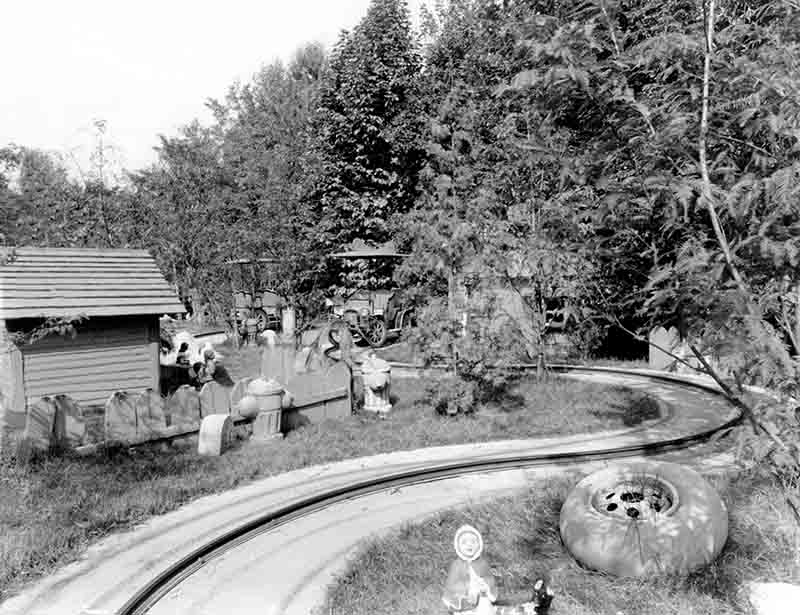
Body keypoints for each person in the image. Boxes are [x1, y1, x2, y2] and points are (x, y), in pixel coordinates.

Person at [442, 525, 498, 615]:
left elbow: (490, 579)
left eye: (473, 541)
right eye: (464, 542)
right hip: (464, 604)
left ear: (479, 544)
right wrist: (468, 585)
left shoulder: (482, 563)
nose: (469, 545)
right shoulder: (456, 565)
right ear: (458, 546)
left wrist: (485, 583)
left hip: (481, 600)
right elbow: (451, 585)